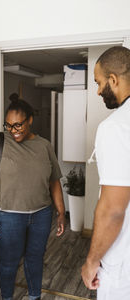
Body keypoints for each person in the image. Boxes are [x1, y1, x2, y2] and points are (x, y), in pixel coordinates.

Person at [0, 94, 65, 300]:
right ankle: (7, 297)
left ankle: (34, 296)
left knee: (35, 259)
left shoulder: (44, 146)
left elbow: (54, 181)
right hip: (7, 215)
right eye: (9, 125)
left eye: (18, 125)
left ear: (30, 121)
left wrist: (61, 212)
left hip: (41, 214)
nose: (13, 130)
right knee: (9, 262)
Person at [81, 46, 130, 300]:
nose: (98, 90)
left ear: (114, 79)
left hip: (123, 266)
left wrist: (91, 261)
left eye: (99, 83)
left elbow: (113, 209)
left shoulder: (116, 127)